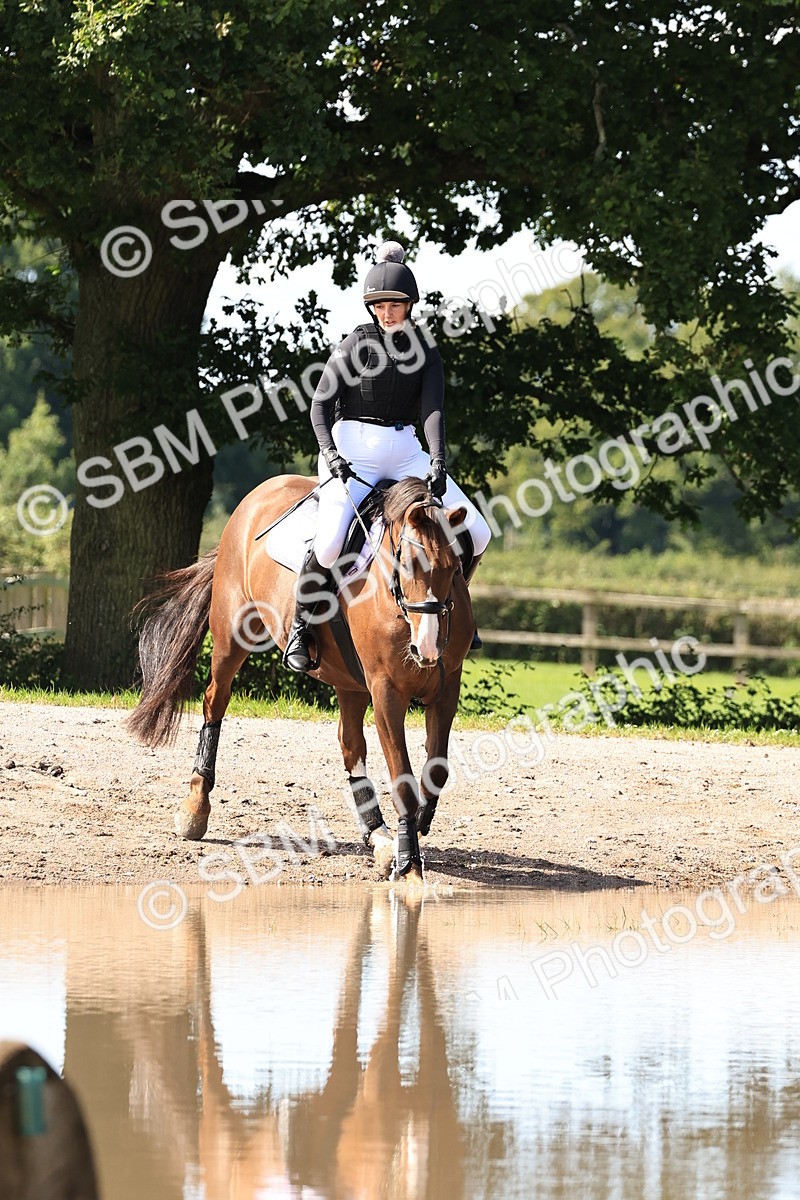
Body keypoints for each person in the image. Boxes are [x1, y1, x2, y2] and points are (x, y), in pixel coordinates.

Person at [283, 242, 492, 673]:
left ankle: (447, 608)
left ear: (409, 305)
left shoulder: (425, 350)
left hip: (404, 450)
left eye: (395, 304)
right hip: (351, 446)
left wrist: (437, 460)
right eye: (379, 304)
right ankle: (301, 629)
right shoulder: (354, 344)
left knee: (479, 531)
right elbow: (319, 406)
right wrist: (331, 455)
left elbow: (432, 410)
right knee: (327, 545)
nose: (387, 311)